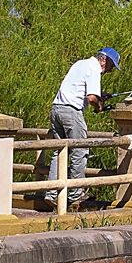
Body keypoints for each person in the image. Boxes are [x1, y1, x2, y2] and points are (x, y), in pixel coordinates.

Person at [44, 47, 120, 210]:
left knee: (59, 151)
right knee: (80, 150)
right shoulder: (94, 69)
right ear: (104, 60)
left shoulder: (81, 63)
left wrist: (101, 96)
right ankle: (75, 194)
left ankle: (51, 194)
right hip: (71, 112)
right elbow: (91, 98)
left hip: (56, 109)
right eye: (111, 66)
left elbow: (79, 89)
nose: (110, 70)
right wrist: (99, 106)